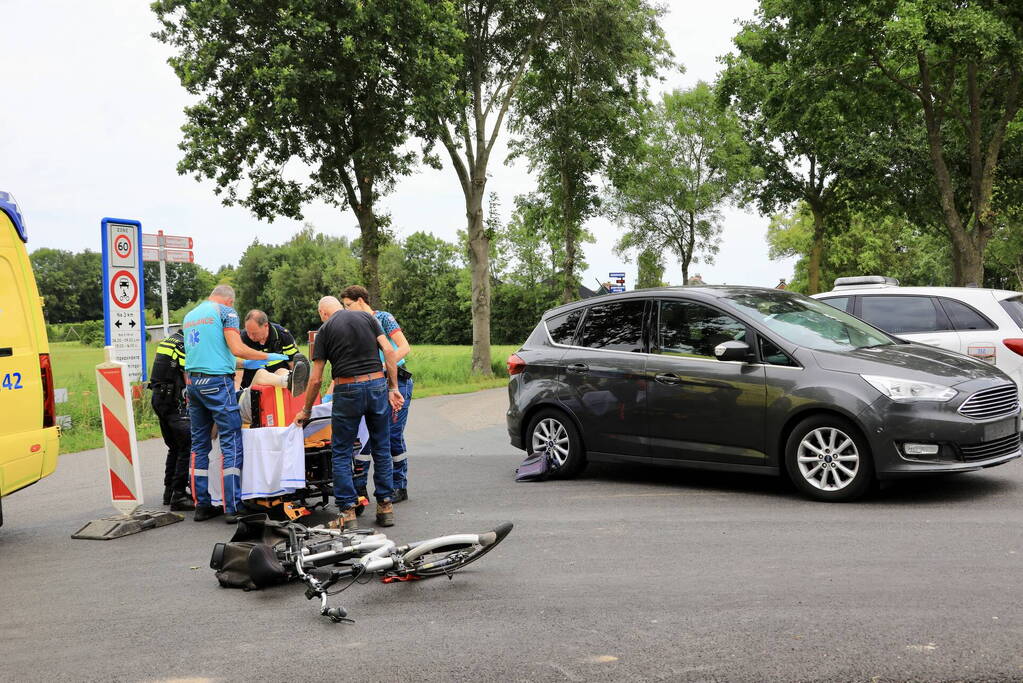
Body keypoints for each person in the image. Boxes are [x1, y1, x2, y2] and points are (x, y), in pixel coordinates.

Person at [295, 296, 404, 530]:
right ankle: (385, 506)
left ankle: (347, 512)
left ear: (323, 313)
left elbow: (316, 378)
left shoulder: (324, 331)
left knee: (342, 451)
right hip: (376, 385)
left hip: (347, 389)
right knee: (381, 447)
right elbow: (389, 350)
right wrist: (393, 388)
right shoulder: (367, 317)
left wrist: (306, 410)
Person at [183, 285, 288, 523]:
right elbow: (237, 347)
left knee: (199, 445)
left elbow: (217, 354)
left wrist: (243, 365)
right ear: (230, 301)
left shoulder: (191, 315)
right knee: (231, 440)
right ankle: (233, 507)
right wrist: (267, 357)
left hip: (194, 383)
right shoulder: (225, 312)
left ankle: (202, 505)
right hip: (218, 385)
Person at [340, 285, 413, 505]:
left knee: (391, 434)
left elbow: (404, 346)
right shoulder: (352, 324)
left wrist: (384, 363)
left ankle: (399, 485)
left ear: (361, 300)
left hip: (396, 380)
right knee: (364, 436)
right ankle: (360, 484)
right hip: (370, 384)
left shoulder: (383, 318)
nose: (346, 310)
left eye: (348, 305)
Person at [148, 330, 194, 512]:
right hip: (173, 399)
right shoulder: (185, 344)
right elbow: (187, 374)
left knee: (175, 446)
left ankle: (169, 492)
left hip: (159, 398)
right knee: (187, 444)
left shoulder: (171, 339)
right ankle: (179, 495)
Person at [236, 310, 308, 391]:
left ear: (266, 326)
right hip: (253, 386)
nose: (251, 337)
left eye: (254, 333)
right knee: (261, 373)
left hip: (280, 386)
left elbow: (292, 363)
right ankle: (287, 381)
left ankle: (293, 380)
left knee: (282, 371)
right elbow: (236, 369)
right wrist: (237, 391)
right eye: (248, 332)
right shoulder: (242, 338)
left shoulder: (283, 336)